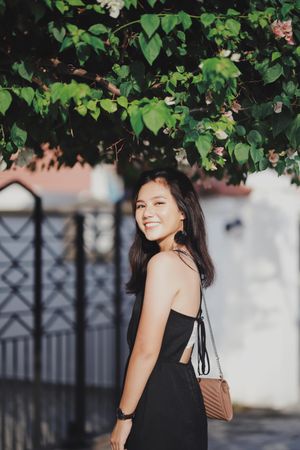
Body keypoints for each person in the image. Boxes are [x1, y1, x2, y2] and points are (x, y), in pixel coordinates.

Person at [110, 167, 215, 450]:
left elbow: (146, 350)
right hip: (183, 394)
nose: (146, 213)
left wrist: (124, 416)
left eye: (159, 203)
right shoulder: (187, 259)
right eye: (141, 205)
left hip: (159, 400)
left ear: (183, 210)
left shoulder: (164, 263)